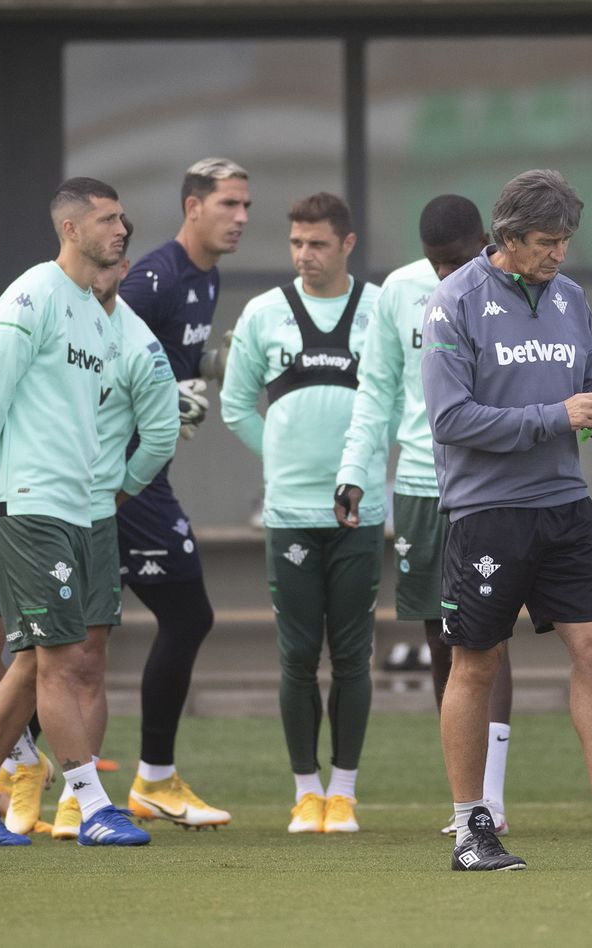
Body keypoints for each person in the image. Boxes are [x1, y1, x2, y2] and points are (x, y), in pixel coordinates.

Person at [422, 168, 592, 871]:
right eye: (546, 242)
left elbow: (581, 396)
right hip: (486, 511)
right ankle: (470, 829)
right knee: (475, 662)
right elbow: (450, 419)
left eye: (566, 241)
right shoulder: (453, 302)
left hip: (565, 503)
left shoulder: (570, 298)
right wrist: (558, 416)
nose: (558, 255)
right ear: (505, 238)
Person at [0, 177, 148, 847]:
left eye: (122, 219)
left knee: (31, 662)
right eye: (109, 220)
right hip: (24, 505)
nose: (122, 230)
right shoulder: (30, 297)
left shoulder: (95, 313)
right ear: (71, 228)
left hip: (71, 510)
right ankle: (94, 808)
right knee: (59, 657)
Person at [333, 194, 517, 835]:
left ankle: (492, 798)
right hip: (418, 485)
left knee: (486, 634)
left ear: (484, 242)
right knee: (442, 638)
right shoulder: (399, 293)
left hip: (493, 482)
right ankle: (466, 802)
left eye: (457, 260)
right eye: (436, 263)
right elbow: (377, 389)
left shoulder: (516, 290)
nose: (446, 275)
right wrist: (356, 471)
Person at [222, 192, 382, 834]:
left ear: (347, 243)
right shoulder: (263, 313)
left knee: (352, 656)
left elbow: (397, 401)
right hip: (289, 513)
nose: (304, 256)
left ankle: (343, 792)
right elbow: (235, 406)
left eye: (317, 244)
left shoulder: (378, 310)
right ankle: (305, 791)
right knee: (295, 656)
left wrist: (360, 467)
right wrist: (281, 459)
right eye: (295, 244)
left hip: (358, 512)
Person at [115, 158, 250, 826]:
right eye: (229, 204)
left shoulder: (207, 277)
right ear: (192, 206)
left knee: (79, 636)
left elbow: (174, 364)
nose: (242, 218)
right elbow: (100, 371)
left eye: (246, 205)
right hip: (118, 477)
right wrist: (168, 400)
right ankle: (151, 781)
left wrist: (211, 369)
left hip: (145, 474)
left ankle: (15, 772)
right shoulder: (153, 279)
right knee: (184, 617)